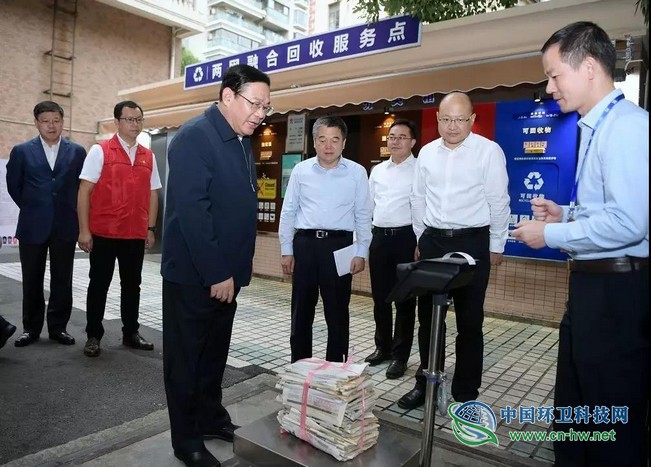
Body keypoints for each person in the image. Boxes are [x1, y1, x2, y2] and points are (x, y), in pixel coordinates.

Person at [512, 22, 649, 467]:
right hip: (592, 291)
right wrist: (565, 214)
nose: (550, 87)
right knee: (576, 415)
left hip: (617, 294)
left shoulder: (628, 127)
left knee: (609, 422)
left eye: (555, 75)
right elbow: (609, 210)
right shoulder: (596, 126)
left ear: (589, 67)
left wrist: (549, 234)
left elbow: (629, 223)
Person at [161, 64, 271, 467]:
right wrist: (217, 273)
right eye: (255, 103)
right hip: (195, 276)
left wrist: (235, 272)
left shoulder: (242, 139)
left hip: (227, 276)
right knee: (186, 361)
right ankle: (185, 439)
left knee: (213, 355)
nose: (261, 113)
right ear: (228, 96)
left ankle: (210, 417)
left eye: (266, 106)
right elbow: (193, 214)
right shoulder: (195, 138)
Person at [398, 92, 510, 410]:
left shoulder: (488, 152)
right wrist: (422, 238)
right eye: (446, 119)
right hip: (433, 240)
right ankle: (426, 382)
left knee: (469, 321)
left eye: (460, 119)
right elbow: (418, 198)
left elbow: (498, 200)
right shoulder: (428, 154)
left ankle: (465, 392)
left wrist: (497, 244)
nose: (452, 126)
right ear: (437, 119)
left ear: (472, 120)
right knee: (429, 319)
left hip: (473, 242)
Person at [279, 116, 372, 364]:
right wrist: (286, 249)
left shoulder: (356, 172)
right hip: (305, 246)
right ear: (314, 142)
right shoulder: (301, 170)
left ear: (343, 143)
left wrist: (362, 251)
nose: (328, 146)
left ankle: (336, 369)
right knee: (301, 312)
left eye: (334, 140)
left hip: (340, 247)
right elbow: (288, 211)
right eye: (322, 139)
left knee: (338, 312)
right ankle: (299, 366)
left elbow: (363, 214)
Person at [77, 100, 161, 358]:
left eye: (139, 120)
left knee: (132, 286)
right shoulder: (100, 151)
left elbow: (153, 193)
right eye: (129, 119)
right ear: (117, 122)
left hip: (135, 234)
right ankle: (93, 335)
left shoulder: (149, 156)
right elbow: (84, 191)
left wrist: (150, 228)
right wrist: (84, 230)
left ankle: (131, 333)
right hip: (104, 232)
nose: (135, 124)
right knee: (99, 284)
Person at [5, 101, 86, 347]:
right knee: (31, 279)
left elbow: (83, 189)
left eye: (56, 120)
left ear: (62, 121)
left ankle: (58, 328)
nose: (51, 126)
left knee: (63, 278)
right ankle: (31, 329)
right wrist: (33, 207)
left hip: (65, 223)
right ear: (36, 123)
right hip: (33, 224)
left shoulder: (77, 151)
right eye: (45, 121)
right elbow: (13, 186)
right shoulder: (21, 151)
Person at [364, 118, 418, 379]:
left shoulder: (420, 170)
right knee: (380, 299)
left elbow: (423, 209)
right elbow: (368, 206)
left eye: (402, 137)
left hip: (406, 239)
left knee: (405, 302)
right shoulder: (378, 170)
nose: (395, 141)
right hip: (380, 239)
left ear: (413, 142)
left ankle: (400, 356)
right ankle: (382, 348)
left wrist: (420, 242)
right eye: (392, 136)